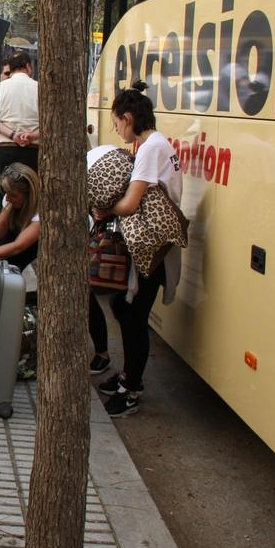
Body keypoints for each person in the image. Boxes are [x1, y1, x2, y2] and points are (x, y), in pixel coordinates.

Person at [91, 81, 183, 418]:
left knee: (132, 314)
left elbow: (130, 204)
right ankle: (129, 376)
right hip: (156, 249)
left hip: (151, 251)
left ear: (128, 118)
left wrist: (106, 209)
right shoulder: (156, 144)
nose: (117, 130)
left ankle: (131, 388)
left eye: (116, 123)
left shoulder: (149, 149)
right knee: (125, 308)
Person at [0, 51, 40, 173]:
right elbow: (49, 124)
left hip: (5, 149)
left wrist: (13, 135)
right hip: (33, 151)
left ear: (10, 68)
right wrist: (32, 136)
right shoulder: (40, 88)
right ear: (28, 66)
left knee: (4, 189)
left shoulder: (0, 88)